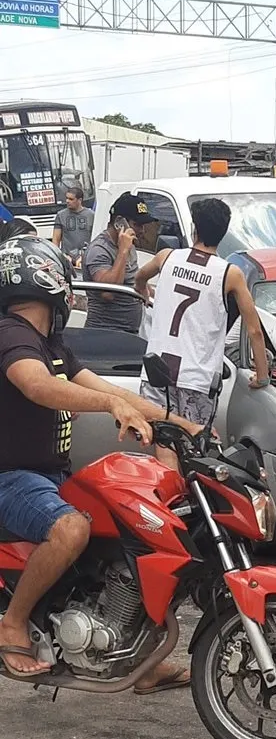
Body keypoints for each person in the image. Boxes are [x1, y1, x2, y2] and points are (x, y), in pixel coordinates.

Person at [0, 227, 198, 689]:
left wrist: (180, 423)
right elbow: (36, 385)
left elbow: (103, 386)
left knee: (136, 525)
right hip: (12, 477)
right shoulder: (12, 334)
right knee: (72, 528)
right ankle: (12, 622)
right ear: (47, 280)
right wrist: (112, 407)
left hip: (48, 477)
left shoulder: (51, 343)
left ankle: (140, 660)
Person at [135, 197, 270, 469]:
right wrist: (262, 376)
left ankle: (168, 505)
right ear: (223, 233)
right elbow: (254, 329)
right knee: (194, 448)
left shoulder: (167, 257)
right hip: (197, 377)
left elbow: (140, 277)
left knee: (163, 445)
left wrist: (144, 291)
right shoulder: (229, 274)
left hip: (156, 370)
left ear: (195, 228)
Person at [82, 192, 156, 334]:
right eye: (137, 225)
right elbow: (108, 293)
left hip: (130, 332)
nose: (142, 231)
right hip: (105, 333)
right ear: (119, 223)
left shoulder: (129, 246)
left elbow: (133, 277)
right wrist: (122, 251)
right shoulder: (99, 249)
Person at [52, 185, 94, 266]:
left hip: (86, 257)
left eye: (71, 199)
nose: (67, 201)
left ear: (80, 200)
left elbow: (95, 237)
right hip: (67, 258)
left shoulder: (91, 215)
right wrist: (57, 257)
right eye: (67, 198)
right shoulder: (60, 215)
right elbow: (56, 240)